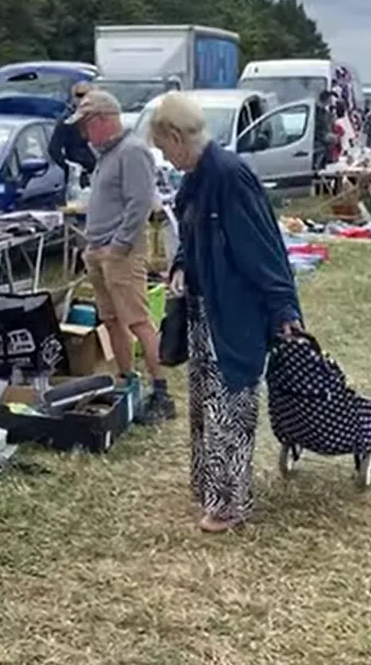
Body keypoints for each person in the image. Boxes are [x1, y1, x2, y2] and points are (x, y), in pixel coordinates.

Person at [146, 92, 302, 533]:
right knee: (207, 404)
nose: (163, 156)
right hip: (204, 307)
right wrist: (180, 267)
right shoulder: (196, 179)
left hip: (233, 310)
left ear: (177, 137)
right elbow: (192, 240)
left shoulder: (230, 177)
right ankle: (211, 488)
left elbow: (264, 249)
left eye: (163, 146)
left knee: (231, 405)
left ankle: (230, 503)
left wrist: (283, 307)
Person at [67, 89, 173, 425]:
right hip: (99, 250)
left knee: (138, 320)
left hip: (121, 253)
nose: (84, 134)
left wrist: (119, 245)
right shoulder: (107, 155)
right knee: (111, 320)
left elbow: (139, 203)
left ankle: (162, 392)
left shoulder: (133, 151)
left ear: (102, 121)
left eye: (86, 126)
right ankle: (127, 383)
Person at [48, 82, 98, 186]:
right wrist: (69, 168)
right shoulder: (67, 121)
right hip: (81, 175)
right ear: (74, 98)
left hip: (98, 171)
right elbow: (54, 149)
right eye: (80, 95)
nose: (85, 99)